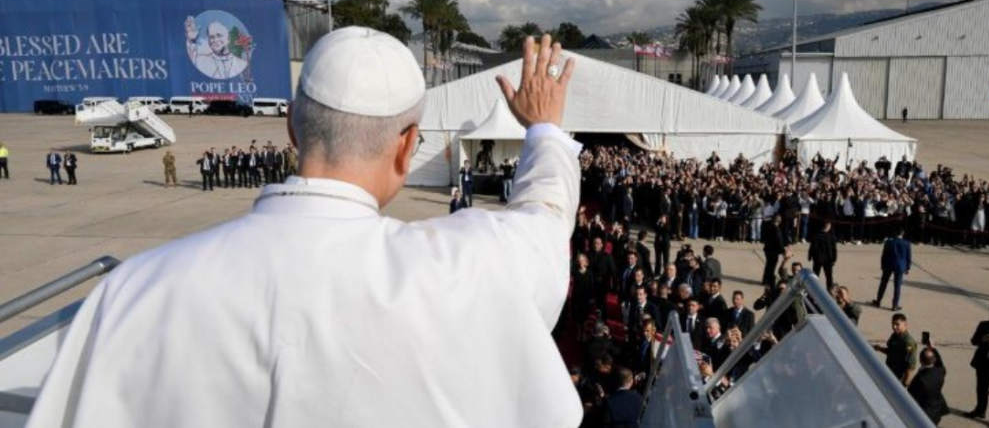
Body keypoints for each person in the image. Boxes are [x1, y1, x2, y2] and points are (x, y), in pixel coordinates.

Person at [26, 31, 584, 428]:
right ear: (408, 145)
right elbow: (545, 218)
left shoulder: (132, 291)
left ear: (292, 126)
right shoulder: (468, 266)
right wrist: (545, 132)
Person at [908, 337, 949, 425]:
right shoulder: (940, 371)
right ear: (934, 359)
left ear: (920, 360)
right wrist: (933, 349)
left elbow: (912, 396)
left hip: (926, 412)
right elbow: (940, 363)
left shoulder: (920, 379)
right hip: (937, 409)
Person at [873, 313, 917, 387]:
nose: (894, 327)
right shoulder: (895, 335)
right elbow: (891, 351)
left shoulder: (909, 343)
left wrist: (905, 383)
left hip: (898, 377)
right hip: (890, 371)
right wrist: (880, 349)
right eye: (893, 324)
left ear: (905, 324)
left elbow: (910, 366)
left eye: (897, 324)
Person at [872, 228, 912, 311]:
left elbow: (884, 255)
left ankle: (878, 301)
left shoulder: (888, 242)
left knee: (883, 283)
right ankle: (895, 305)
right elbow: (908, 257)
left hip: (888, 264)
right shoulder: (907, 243)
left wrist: (882, 265)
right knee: (897, 286)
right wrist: (908, 267)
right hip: (900, 266)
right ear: (902, 233)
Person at [808, 221, 838, 290]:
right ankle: (830, 289)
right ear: (828, 227)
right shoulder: (831, 237)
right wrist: (834, 259)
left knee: (815, 275)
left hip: (817, 258)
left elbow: (812, 247)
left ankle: (814, 289)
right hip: (828, 259)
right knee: (829, 276)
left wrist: (810, 256)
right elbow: (834, 249)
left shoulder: (816, 235)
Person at [761, 214, 786, 286]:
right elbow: (779, 240)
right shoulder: (776, 229)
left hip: (767, 249)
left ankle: (765, 279)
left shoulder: (768, 227)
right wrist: (782, 250)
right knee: (772, 266)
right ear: (779, 221)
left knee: (768, 265)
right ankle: (769, 280)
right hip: (773, 250)